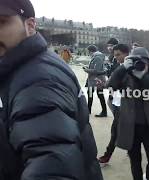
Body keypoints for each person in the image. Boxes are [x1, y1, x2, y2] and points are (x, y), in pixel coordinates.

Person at [0, 0, 103, 179]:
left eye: (1, 22)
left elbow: (52, 166)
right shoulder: (22, 67)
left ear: (30, 25)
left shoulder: (38, 80)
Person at [108, 47, 149, 180]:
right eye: (136, 61)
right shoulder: (125, 78)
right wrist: (123, 68)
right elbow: (111, 85)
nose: (140, 64)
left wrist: (144, 77)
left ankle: (147, 177)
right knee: (135, 161)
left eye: (144, 61)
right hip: (131, 128)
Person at [98, 44, 130, 166]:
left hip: (126, 105)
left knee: (115, 132)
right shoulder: (119, 66)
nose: (116, 57)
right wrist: (104, 85)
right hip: (117, 103)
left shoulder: (131, 69)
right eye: (114, 55)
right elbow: (114, 84)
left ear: (127, 53)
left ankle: (107, 156)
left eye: (118, 55)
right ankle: (131, 149)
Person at [84, 45, 108, 117]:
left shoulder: (97, 57)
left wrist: (86, 70)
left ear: (90, 51)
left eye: (88, 51)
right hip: (94, 80)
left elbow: (96, 70)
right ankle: (89, 111)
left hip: (97, 80)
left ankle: (103, 112)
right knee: (92, 94)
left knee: (99, 95)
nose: (88, 53)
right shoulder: (96, 57)